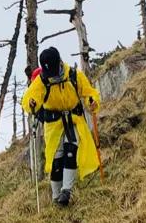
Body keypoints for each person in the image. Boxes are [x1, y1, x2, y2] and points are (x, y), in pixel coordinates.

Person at [21, 46, 101, 207]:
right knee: (56, 162)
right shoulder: (42, 80)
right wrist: (32, 104)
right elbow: (30, 98)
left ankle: (66, 191)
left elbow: (88, 92)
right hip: (53, 125)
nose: (51, 76)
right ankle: (56, 198)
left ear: (59, 63)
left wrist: (92, 101)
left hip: (73, 120)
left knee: (71, 149)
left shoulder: (73, 75)